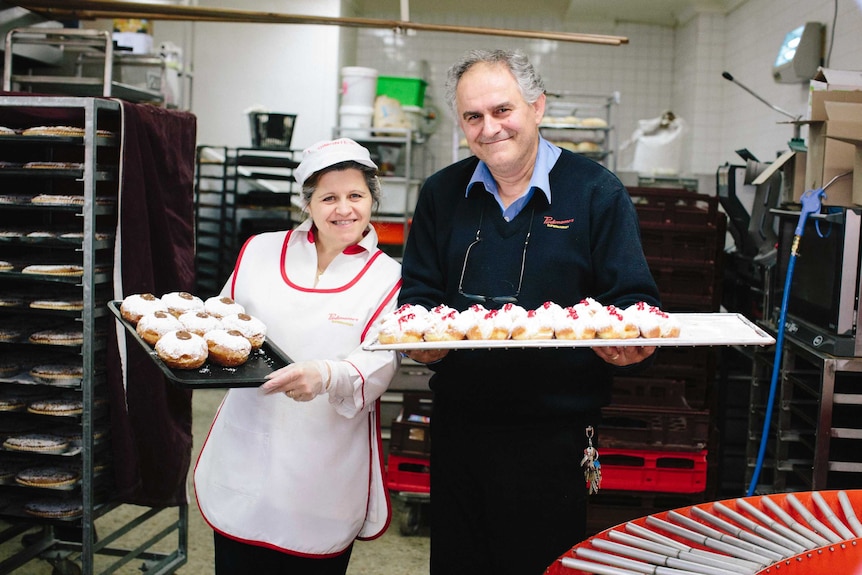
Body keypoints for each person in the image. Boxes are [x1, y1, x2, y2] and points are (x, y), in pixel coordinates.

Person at [398, 49, 661, 574]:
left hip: (554, 436)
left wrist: (633, 342)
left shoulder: (594, 192)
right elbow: (418, 300)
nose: (489, 128)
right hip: (461, 430)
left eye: (502, 110)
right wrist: (419, 342)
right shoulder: (442, 193)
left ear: (537, 107)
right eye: (473, 116)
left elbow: (634, 299)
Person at [194, 138, 402, 574]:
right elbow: (224, 319)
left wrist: (326, 374)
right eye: (328, 197)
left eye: (355, 196)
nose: (343, 209)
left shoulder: (389, 276)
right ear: (306, 203)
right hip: (248, 442)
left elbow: (380, 360)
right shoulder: (259, 250)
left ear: (372, 199)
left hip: (323, 458)